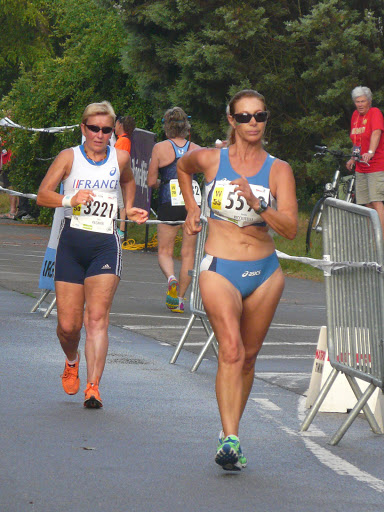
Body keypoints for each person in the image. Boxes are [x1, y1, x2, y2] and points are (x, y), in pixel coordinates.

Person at [177, 89, 297, 470]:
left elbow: (291, 228)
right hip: (220, 268)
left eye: (259, 116)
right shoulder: (213, 160)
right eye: (244, 117)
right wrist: (193, 209)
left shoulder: (279, 170)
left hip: (264, 273)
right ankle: (229, 440)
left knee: (248, 358)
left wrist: (260, 204)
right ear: (231, 121)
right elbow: (183, 167)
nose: (253, 124)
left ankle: (231, 430)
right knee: (230, 350)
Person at [37, 101, 148, 409]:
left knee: (96, 318)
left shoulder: (120, 156)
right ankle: (71, 361)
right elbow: (43, 194)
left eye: (106, 130)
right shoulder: (68, 157)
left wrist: (126, 210)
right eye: (94, 128)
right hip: (71, 243)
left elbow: (127, 180)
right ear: (83, 128)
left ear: (113, 131)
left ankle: (93, 387)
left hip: (105, 244)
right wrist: (71, 198)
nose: (100, 135)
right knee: (69, 327)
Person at [147, 107, 200, 313]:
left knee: (165, 251)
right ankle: (179, 299)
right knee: (188, 254)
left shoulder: (160, 148)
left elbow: (151, 181)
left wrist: (164, 182)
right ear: (186, 127)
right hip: (191, 204)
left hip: (168, 202)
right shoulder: (196, 148)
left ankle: (171, 278)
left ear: (166, 127)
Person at [346, 86, 384, 234]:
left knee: (376, 200)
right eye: (357, 101)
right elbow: (356, 140)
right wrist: (353, 158)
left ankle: (381, 238)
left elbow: (376, 133)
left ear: (369, 101)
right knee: (367, 203)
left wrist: (370, 152)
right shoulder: (355, 115)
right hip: (361, 166)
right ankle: (372, 237)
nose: (360, 104)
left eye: (362, 101)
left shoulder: (375, 113)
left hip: (376, 164)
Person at [114, 115, 136, 237]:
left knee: (120, 204)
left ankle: (121, 230)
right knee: (120, 203)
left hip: (118, 176)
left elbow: (118, 161)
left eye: (116, 124)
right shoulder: (122, 140)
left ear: (120, 124)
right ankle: (120, 229)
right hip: (119, 176)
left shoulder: (123, 141)